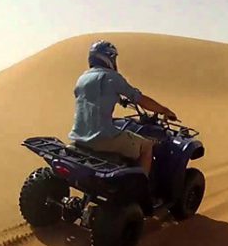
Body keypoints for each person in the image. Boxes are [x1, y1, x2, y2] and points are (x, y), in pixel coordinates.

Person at [68, 40, 177, 177]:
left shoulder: (82, 79)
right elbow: (140, 99)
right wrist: (164, 110)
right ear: (109, 57)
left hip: (79, 136)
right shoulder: (112, 77)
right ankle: (141, 188)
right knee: (147, 146)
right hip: (102, 137)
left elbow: (95, 97)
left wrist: (119, 100)